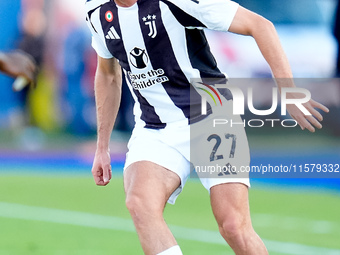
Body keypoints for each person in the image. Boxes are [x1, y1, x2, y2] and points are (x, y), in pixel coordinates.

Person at [85, 0, 329, 254]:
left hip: (211, 116)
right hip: (155, 126)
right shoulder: (96, 11)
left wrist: (288, 90)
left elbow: (260, 25)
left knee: (233, 225)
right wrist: (102, 146)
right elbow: (108, 73)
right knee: (139, 204)